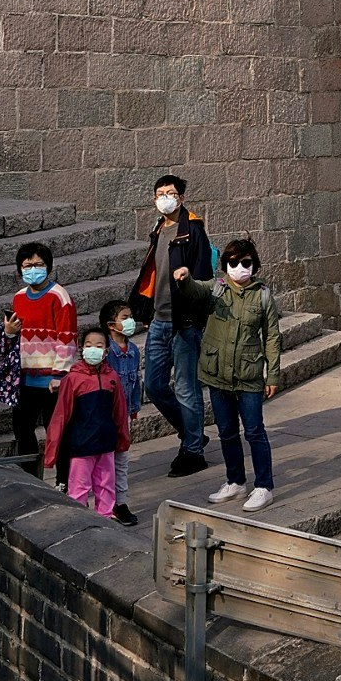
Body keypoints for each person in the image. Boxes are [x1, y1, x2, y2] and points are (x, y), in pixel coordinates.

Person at [174, 236, 284, 513]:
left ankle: (264, 486)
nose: (239, 267)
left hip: (248, 375)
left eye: (245, 262)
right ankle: (235, 480)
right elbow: (195, 291)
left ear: (254, 265)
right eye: (233, 262)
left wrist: (273, 375)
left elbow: (271, 336)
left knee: (255, 431)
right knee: (226, 431)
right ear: (225, 265)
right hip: (217, 372)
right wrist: (184, 279)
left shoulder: (263, 296)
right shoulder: (216, 289)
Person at [132, 174, 213, 476]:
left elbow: (204, 277)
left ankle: (193, 451)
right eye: (160, 193)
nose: (165, 197)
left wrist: (190, 289)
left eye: (171, 192)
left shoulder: (192, 229)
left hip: (184, 322)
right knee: (153, 385)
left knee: (186, 389)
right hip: (158, 319)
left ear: (181, 197)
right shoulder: (158, 228)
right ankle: (192, 433)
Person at [0, 242, 77, 481]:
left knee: (58, 433)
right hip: (25, 378)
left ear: (48, 267)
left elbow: (68, 337)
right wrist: (9, 331)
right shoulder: (19, 298)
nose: (33, 269)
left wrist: (60, 374)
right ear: (20, 270)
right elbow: (14, 335)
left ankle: (64, 483)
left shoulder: (59, 296)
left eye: (38, 264)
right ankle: (30, 479)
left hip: (52, 381)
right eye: (27, 265)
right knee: (22, 430)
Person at [42, 328, 133, 517]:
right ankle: (80, 520)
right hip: (81, 444)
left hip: (106, 444)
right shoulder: (72, 379)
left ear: (106, 351)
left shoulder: (112, 378)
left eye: (99, 346)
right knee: (79, 487)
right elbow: (60, 416)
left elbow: (120, 412)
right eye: (89, 345)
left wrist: (123, 440)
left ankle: (106, 518)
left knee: (106, 486)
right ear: (82, 349)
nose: (93, 349)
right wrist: (51, 452)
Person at [98, 298, 146, 525]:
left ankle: (121, 502)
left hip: (123, 414)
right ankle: (103, 501)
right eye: (124, 318)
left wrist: (134, 407)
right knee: (103, 460)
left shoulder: (134, 350)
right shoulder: (105, 351)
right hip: (103, 414)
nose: (130, 322)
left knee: (122, 459)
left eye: (130, 317)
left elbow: (135, 381)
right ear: (111, 324)